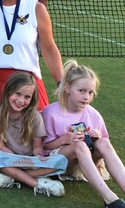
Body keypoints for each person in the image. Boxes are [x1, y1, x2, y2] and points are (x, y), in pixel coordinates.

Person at [42, 60, 125, 208]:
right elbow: (43, 148)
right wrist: (64, 139)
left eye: (90, 92)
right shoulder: (50, 113)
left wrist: (96, 137)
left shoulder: (93, 114)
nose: (86, 97)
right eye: (81, 91)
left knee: (104, 142)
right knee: (79, 146)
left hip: (86, 164)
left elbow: (103, 148)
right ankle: (111, 199)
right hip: (57, 166)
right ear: (67, 88)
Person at [0, 71, 67, 197]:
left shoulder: (35, 117)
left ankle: (11, 176)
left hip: (31, 161)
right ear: (8, 91)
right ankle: (37, 184)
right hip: (10, 159)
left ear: (32, 99)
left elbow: (37, 147)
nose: (21, 100)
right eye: (17, 94)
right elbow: (0, 146)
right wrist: (14, 160)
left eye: (27, 97)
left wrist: (39, 157)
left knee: (61, 161)